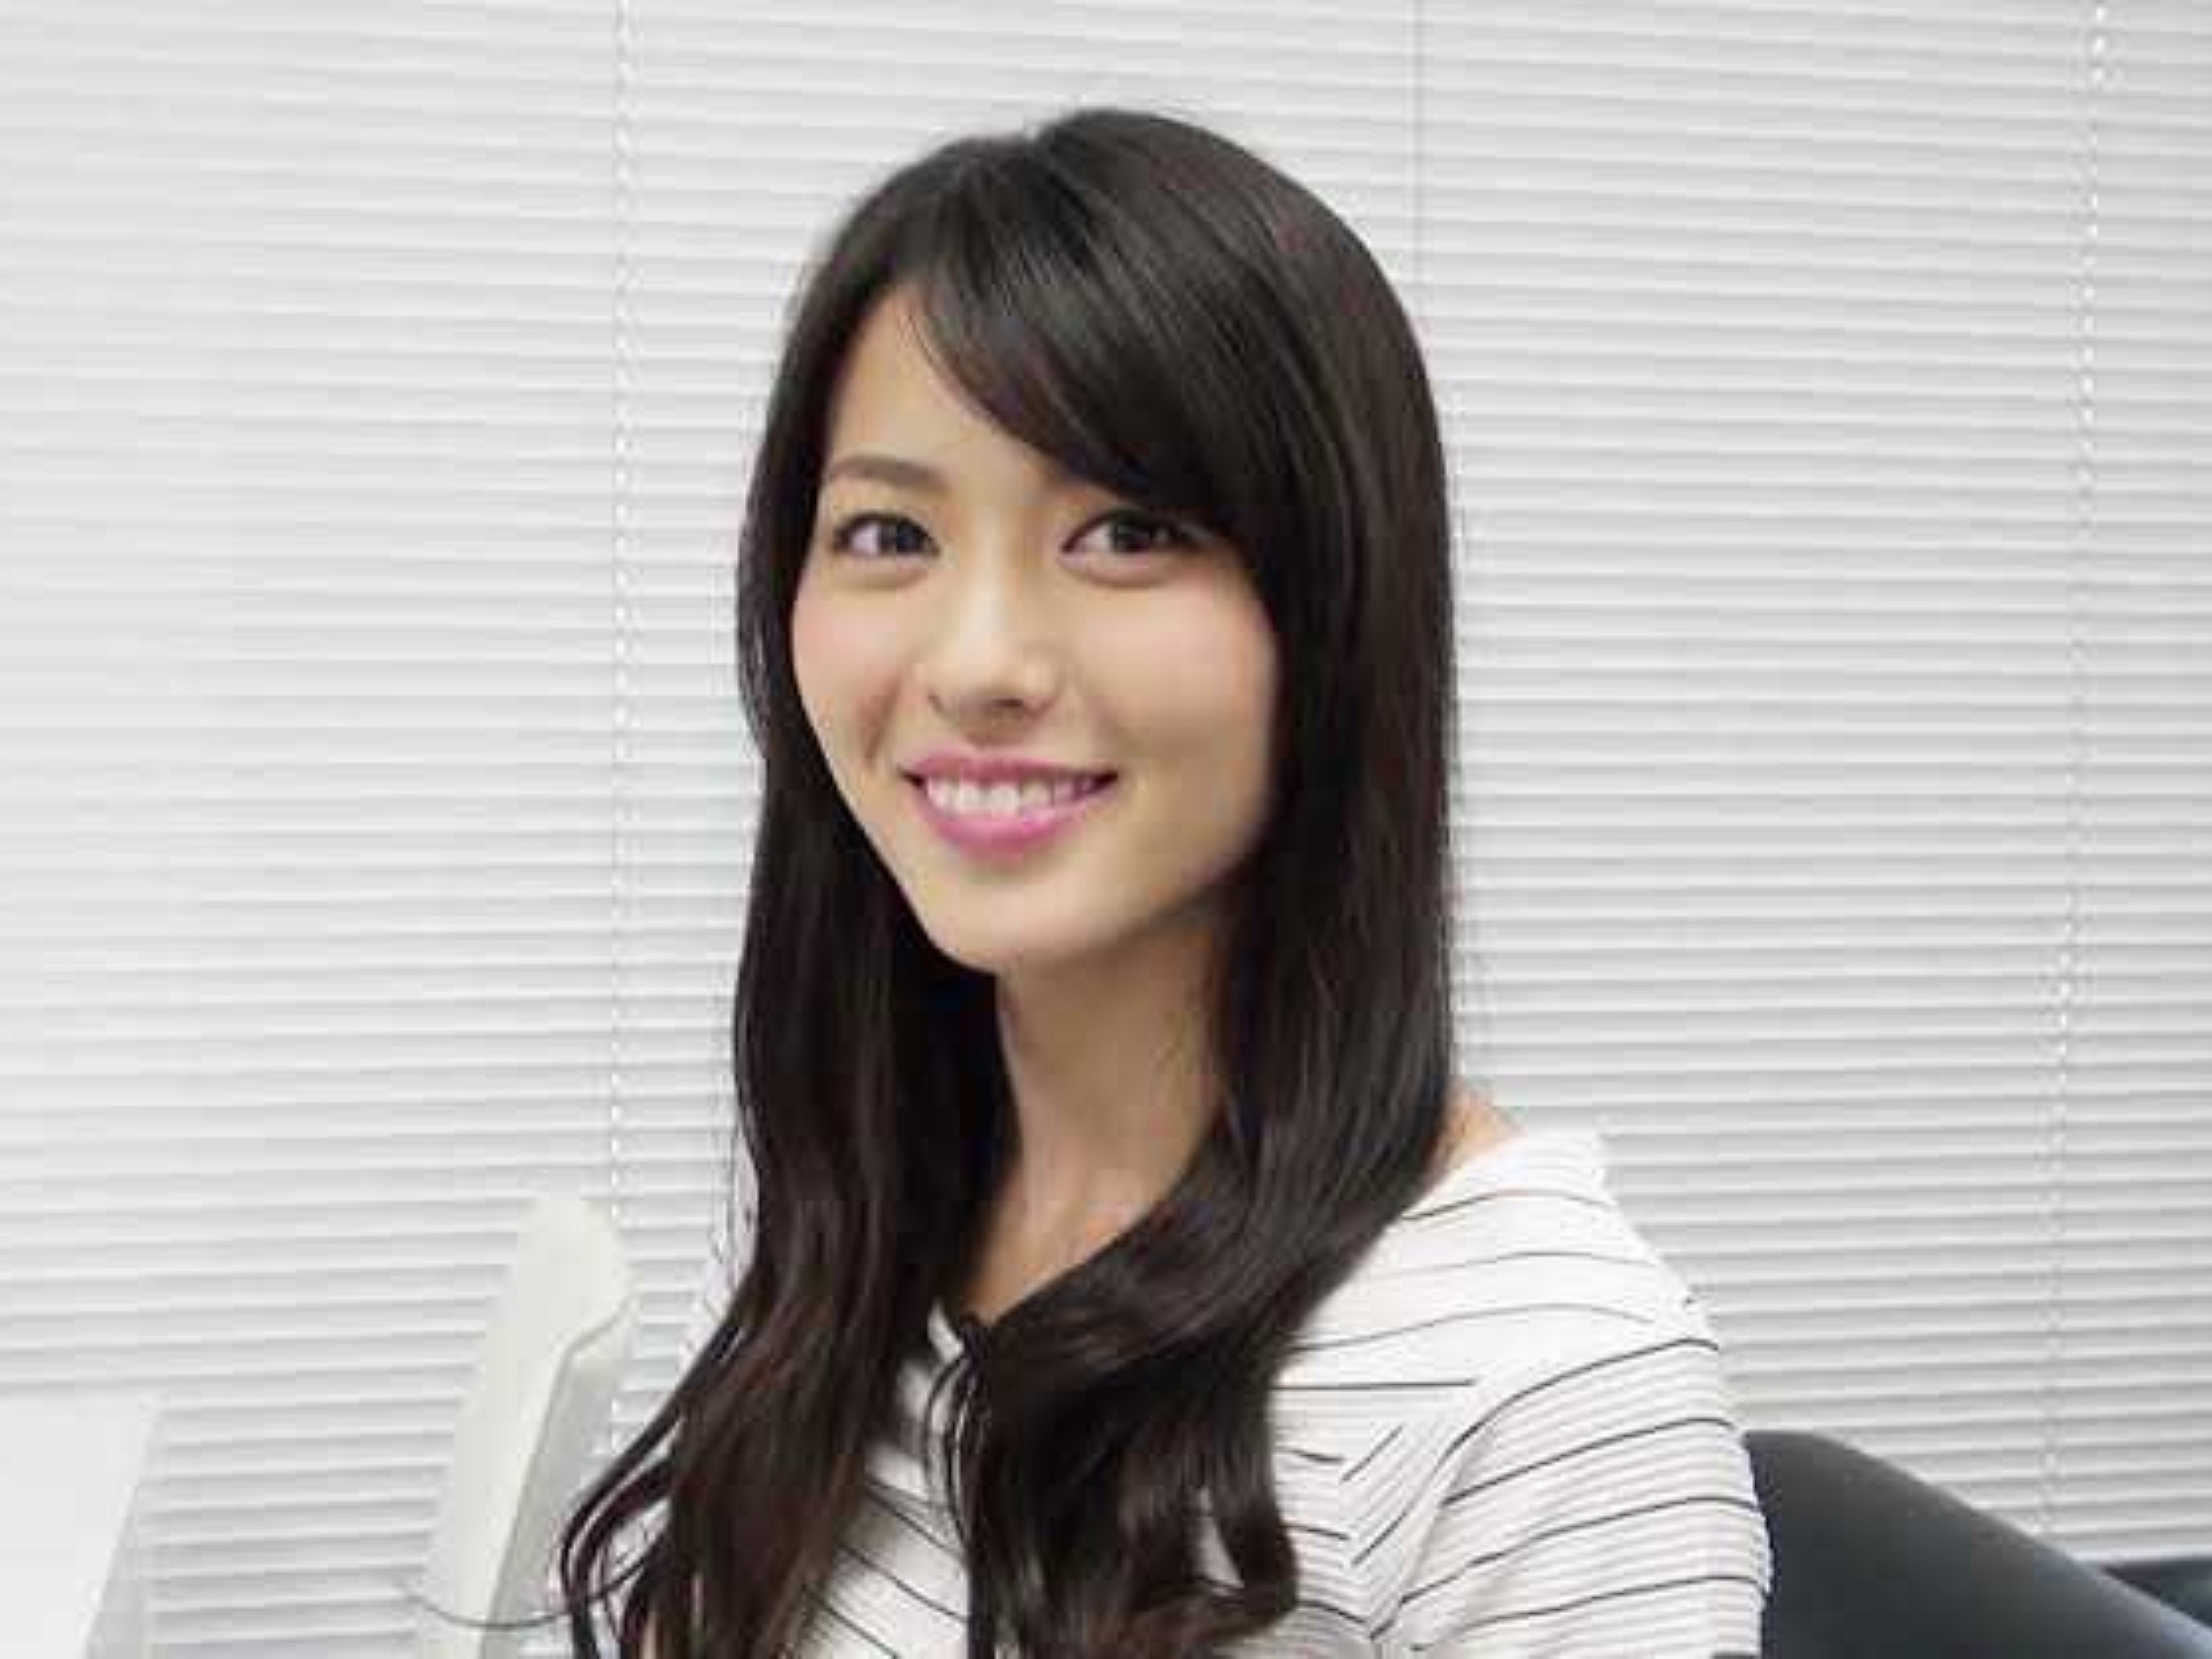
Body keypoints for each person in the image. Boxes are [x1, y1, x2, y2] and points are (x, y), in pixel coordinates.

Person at [554, 104, 1773, 1657]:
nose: (978, 662)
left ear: (1333, 611)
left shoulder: (1542, 1385)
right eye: (889, 531)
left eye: (1125, 533)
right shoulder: (858, 1200)